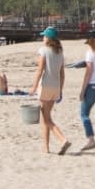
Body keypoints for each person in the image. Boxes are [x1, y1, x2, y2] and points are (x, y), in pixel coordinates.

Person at [30, 26, 70, 155]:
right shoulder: (60, 53)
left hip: (46, 87)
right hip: (55, 88)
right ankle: (46, 148)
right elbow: (62, 74)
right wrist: (60, 91)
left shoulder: (43, 50)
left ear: (48, 38)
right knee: (46, 117)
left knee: (46, 119)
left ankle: (63, 139)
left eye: (44, 36)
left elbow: (40, 70)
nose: (43, 38)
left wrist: (34, 87)